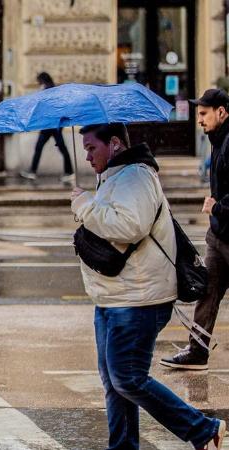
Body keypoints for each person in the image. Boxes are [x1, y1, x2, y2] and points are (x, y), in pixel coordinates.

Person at [72, 122, 225, 450]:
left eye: (91, 148)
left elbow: (129, 226)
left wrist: (85, 205)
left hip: (138, 299)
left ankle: (203, 430)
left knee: (128, 378)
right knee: (116, 384)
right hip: (114, 298)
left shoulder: (136, 177)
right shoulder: (117, 176)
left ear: (114, 144)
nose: (87, 156)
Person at [162, 88, 229, 370]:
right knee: (208, 291)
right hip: (219, 235)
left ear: (221, 112)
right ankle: (197, 351)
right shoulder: (217, 141)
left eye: (203, 114)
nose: (199, 119)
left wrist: (216, 208)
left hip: (225, 227)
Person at [20, 72, 75, 183]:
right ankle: (68, 172)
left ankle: (69, 172)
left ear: (43, 80)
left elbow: (47, 107)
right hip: (53, 126)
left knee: (43, 148)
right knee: (56, 148)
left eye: (39, 81)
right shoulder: (52, 89)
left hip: (51, 126)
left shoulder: (47, 90)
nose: (38, 83)